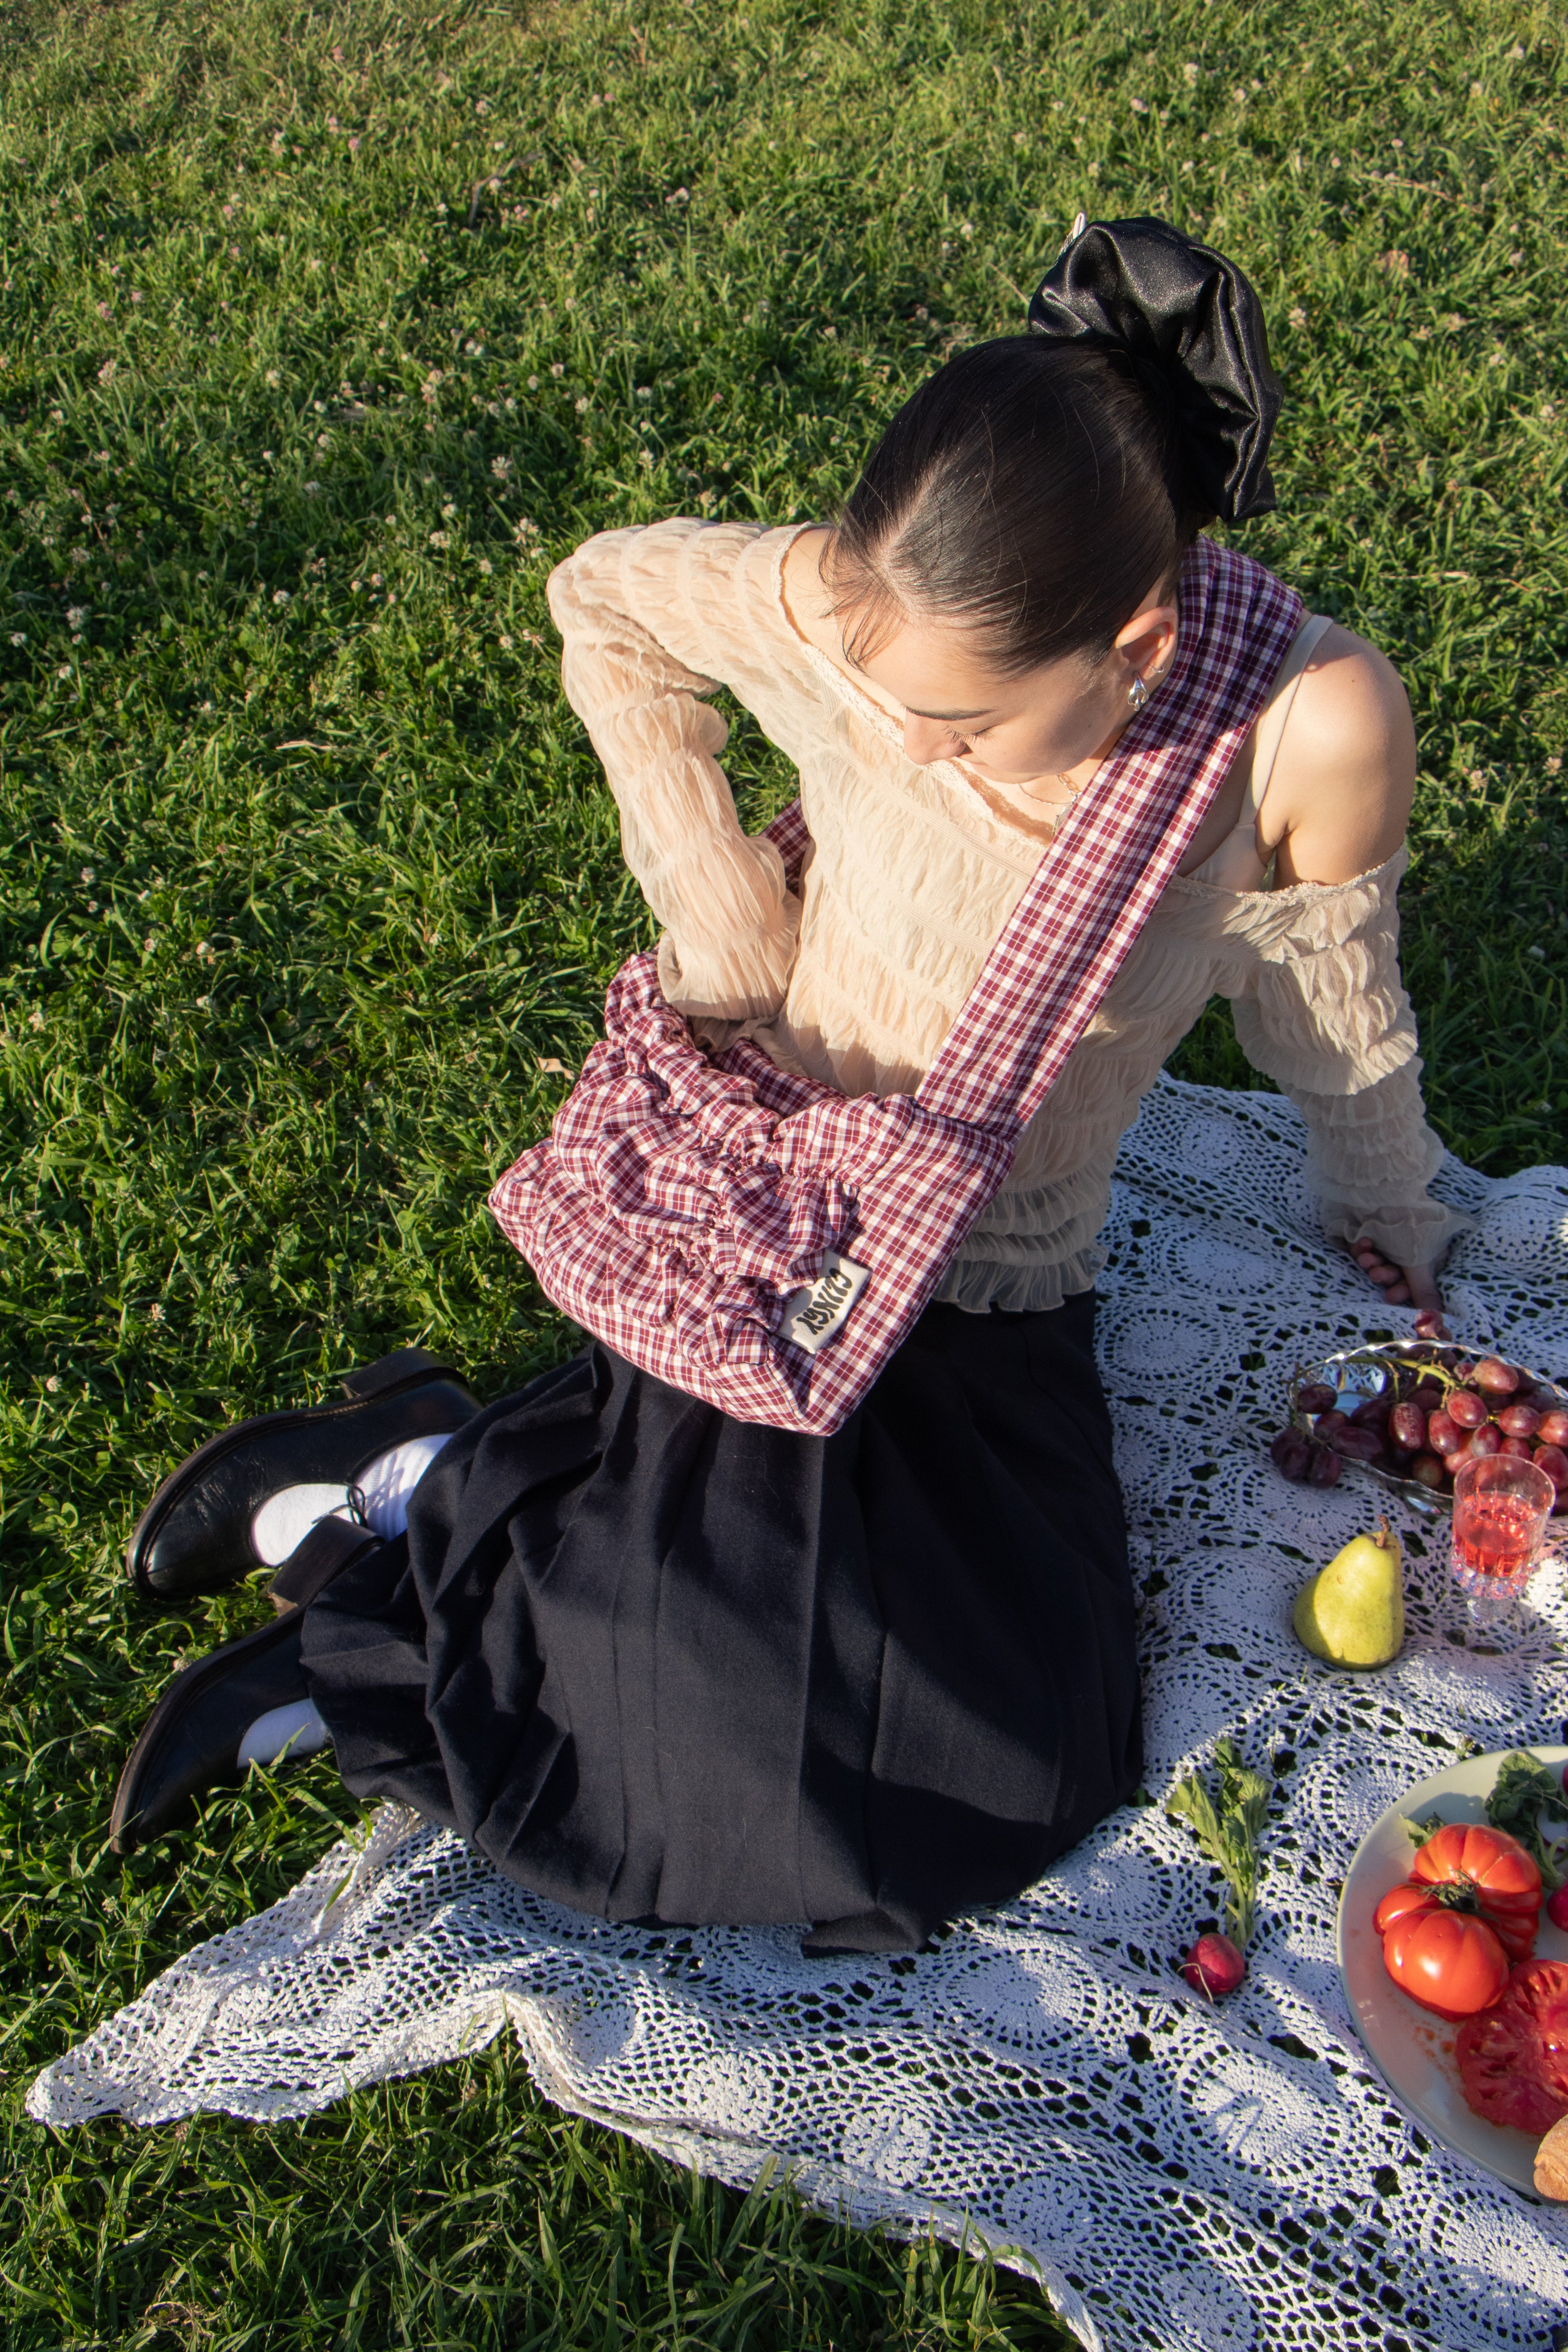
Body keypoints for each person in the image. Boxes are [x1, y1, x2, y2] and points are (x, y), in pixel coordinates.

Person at [108, 218, 1465, 1955]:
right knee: (706, 1692)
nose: (902, 747)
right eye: (884, 703)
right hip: (764, 1202)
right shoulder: (851, 601)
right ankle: (374, 1541)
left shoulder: (1301, 723)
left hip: (988, 1285)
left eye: (963, 726)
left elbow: (1337, 1006)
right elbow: (604, 600)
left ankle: (427, 1471)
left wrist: (1384, 1200)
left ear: (1133, 648)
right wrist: (718, 906)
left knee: (997, 1771)